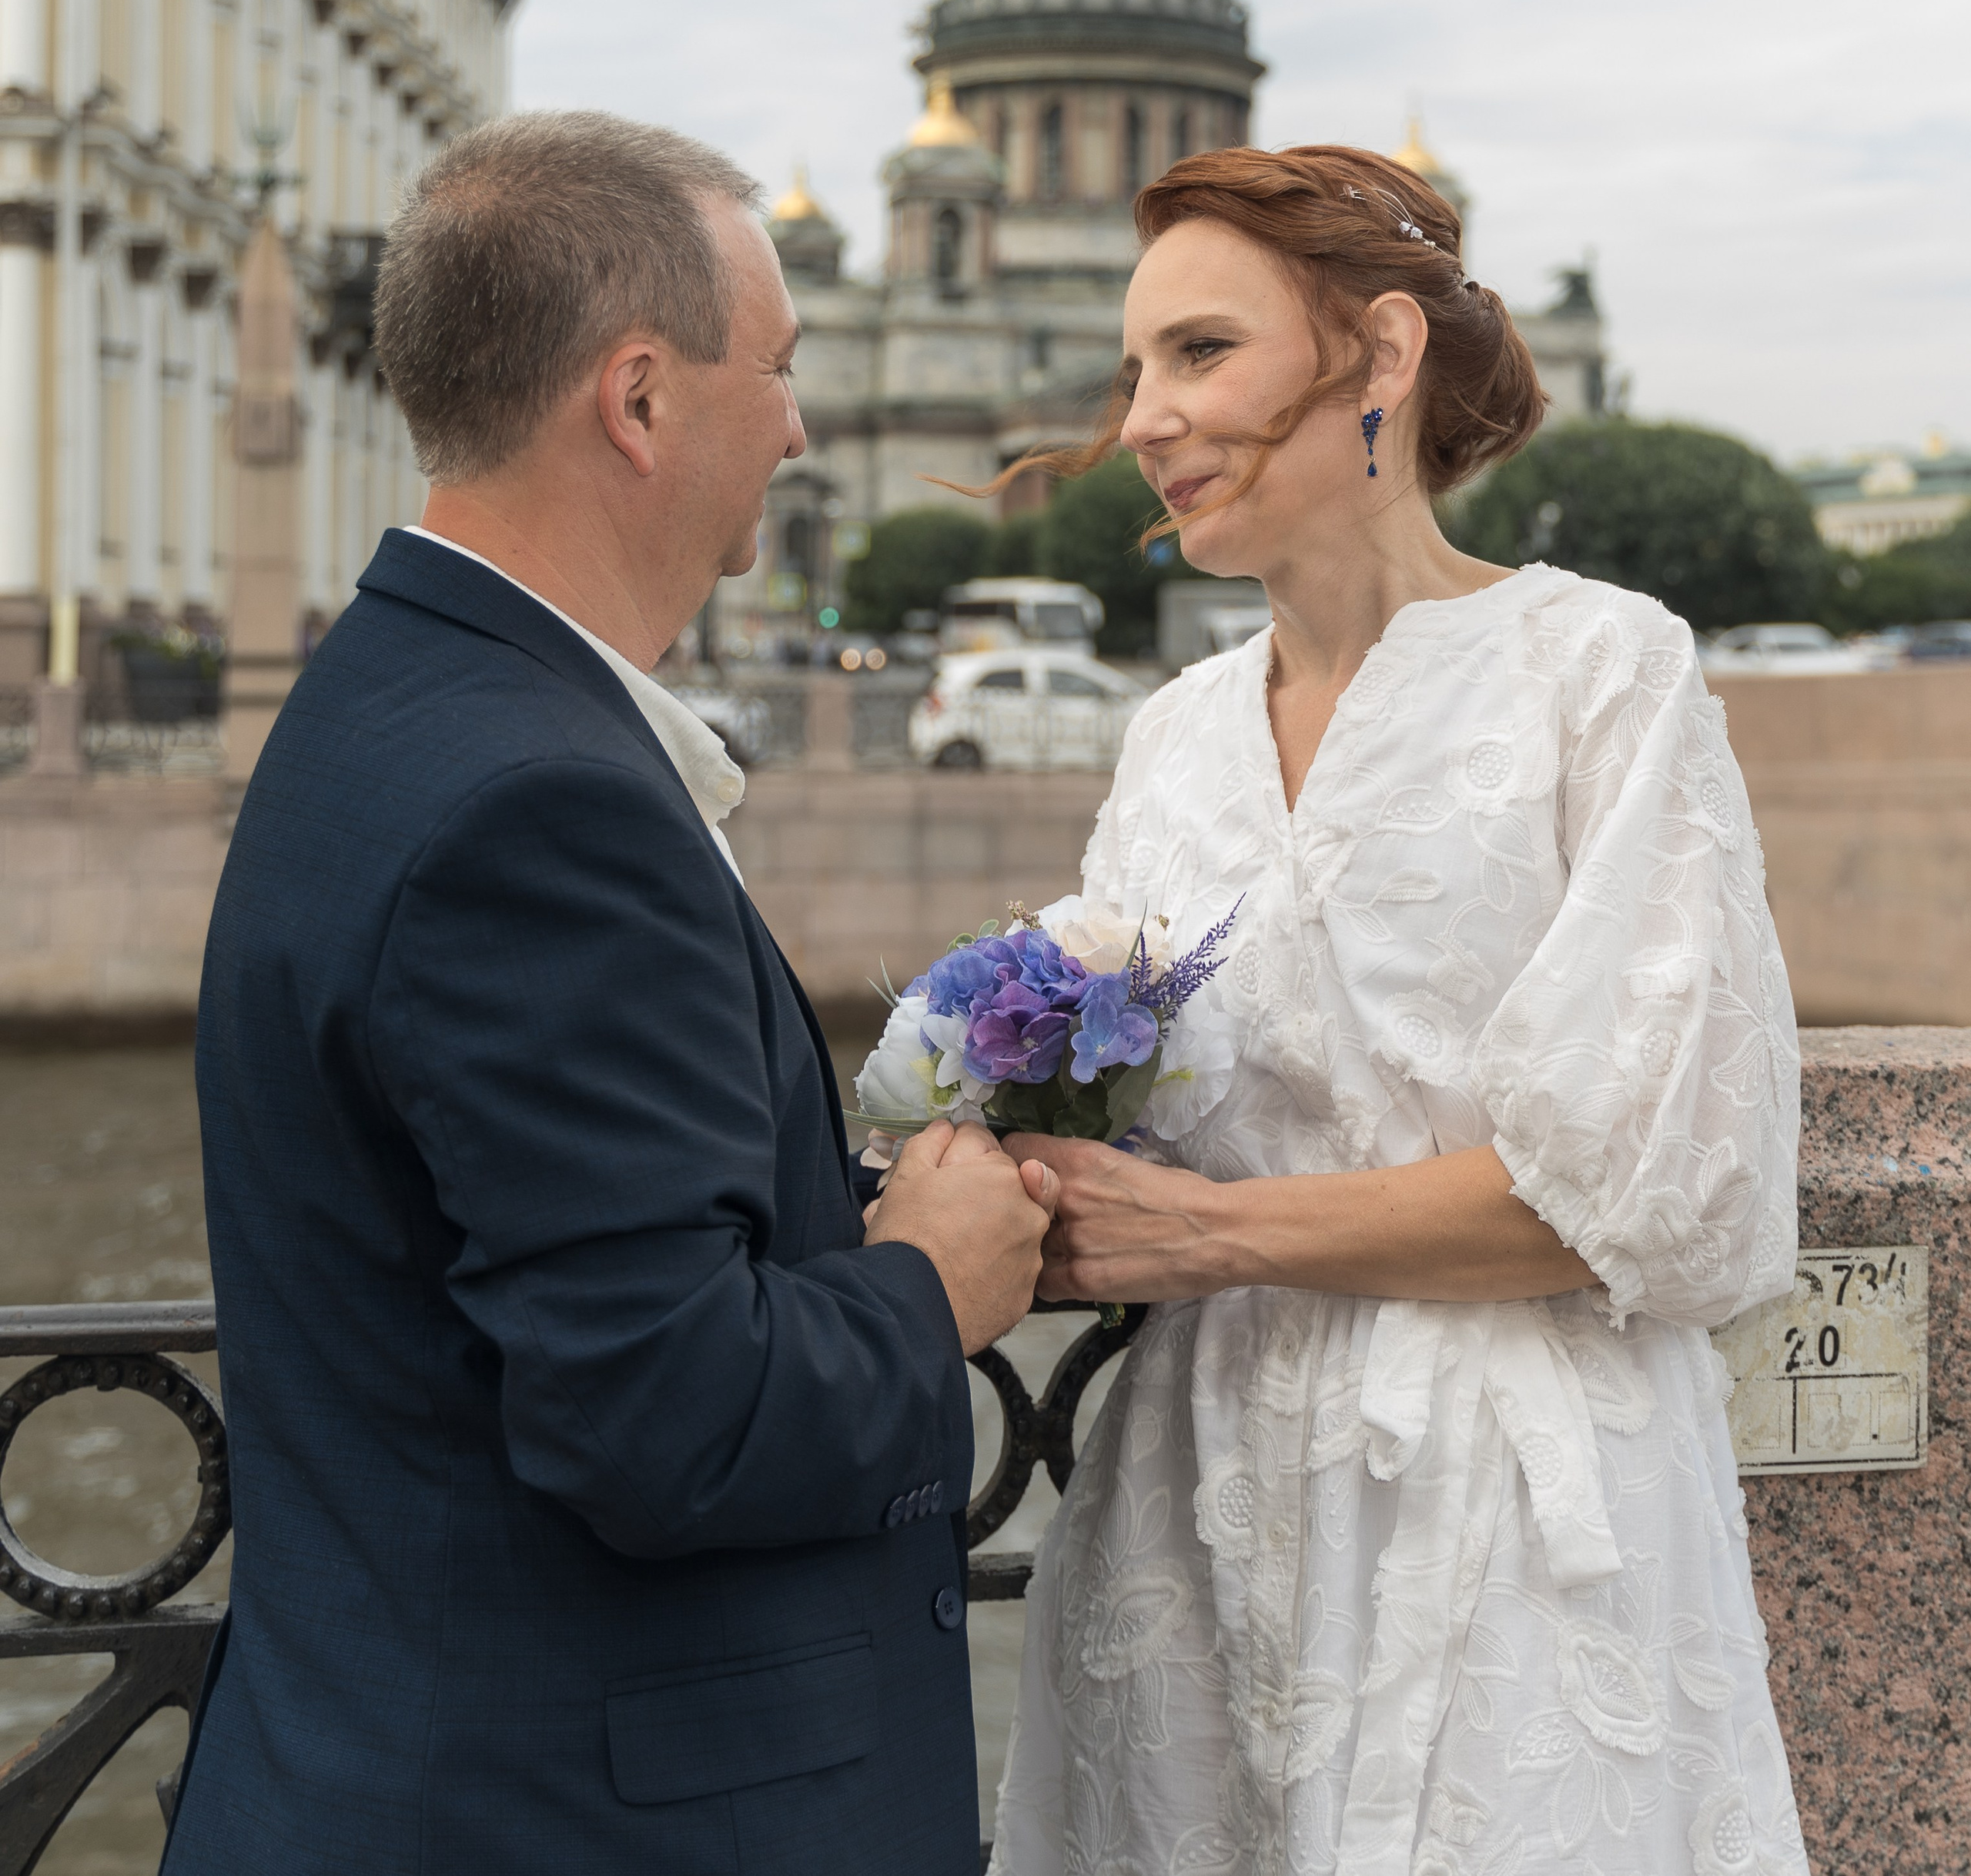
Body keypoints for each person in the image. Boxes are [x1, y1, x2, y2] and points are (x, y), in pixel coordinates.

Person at [168, 112, 1057, 1876]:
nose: (800, 424)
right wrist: (928, 1280)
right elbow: (671, 1415)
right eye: (780, 369)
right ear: (640, 401)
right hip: (572, 1818)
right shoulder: (542, 804)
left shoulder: (386, 698)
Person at [989, 145, 1806, 1876]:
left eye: (1198, 354)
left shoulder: (1600, 669)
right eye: (1134, 369)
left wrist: (1207, 1232)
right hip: (1196, 1508)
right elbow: (1108, 1106)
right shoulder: (1170, 737)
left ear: (1374, 354)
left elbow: (1652, 1192)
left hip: (1510, 1502)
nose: (1142, 417)